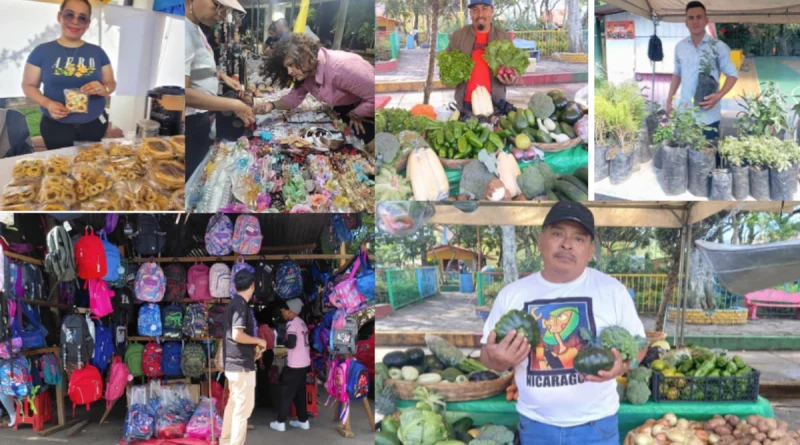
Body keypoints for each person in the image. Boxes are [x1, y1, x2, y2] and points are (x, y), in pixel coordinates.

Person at [480, 201, 647, 445]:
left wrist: (622, 367)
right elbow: (486, 353)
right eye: (558, 233)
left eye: (579, 239)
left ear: (590, 251)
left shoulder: (613, 291)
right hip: (536, 427)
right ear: (540, 242)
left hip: (596, 427)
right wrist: (497, 359)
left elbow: (640, 345)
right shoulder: (512, 294)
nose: (567, 244)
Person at [22, 0, 117, 150]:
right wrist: (48, 104)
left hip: (94, 125)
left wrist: (103, 89)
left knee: (90, 167)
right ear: (59, 16)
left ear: (88, 23)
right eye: (69, 15)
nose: (75, 21)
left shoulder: (97, 52)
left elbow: (111, 83)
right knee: (59, 166)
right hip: (55, 127)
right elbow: (28, 85)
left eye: (82, 17)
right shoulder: (41, 51)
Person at [256, 34, 375, 142]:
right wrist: (272, 105)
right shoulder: (307, 73)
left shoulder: (341, 67)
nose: (289, 71)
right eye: (287, 67)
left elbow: (376, 95)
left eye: (291, 64)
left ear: (306, 55)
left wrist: (357, 113)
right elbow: (294, 98)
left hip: (367, 112)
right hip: (344, 110)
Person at [185, 0, 256, 179]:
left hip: (199, 118)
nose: (221, 14)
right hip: (189, 122)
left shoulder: (196, 28)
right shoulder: (183, 32)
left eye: (225, 10)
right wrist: (234, 105)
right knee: (192, 176)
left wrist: (222, 77)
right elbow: (182, 92)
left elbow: (198, 67)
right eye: (218, 6)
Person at [666, 1, 737, 143]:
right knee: (683, 157)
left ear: (706, 20)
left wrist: (719, 95)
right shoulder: (679, 47)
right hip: (684, 115)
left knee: (706, 159)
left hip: (709, 117)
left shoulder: (718, 47)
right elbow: (677, 74)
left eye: (699, 17)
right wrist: (669, 100)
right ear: (686, 22)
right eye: (691, 18)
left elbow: (732, 75)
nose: (695, 21)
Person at [220, 270, 267, 445]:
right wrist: (258, 340)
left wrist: (252, 346)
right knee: (242, 410)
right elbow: (237, 335)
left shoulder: (232, 304)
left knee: (233, 405)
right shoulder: (240, 305)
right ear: (253, 285)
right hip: (240, 366)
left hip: (233, 364)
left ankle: (225, 441)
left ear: (234, 286)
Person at [446, 0, 517, 111]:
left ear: (492, 11)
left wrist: (511, 80)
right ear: (470, 13)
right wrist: (449, 78)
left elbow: (513, 69)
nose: (480, 15)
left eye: (485, 9)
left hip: (495, 104)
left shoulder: (503, 37)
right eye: (475, 10)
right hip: (465, 105)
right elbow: (447, 65)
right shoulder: (458, 36)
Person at [270, 298, 311, 432]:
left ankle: (280, 422)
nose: (283, 313)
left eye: (284, 310)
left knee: (286, 393)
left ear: (291, 311)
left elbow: (292, 343)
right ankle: (303, 420)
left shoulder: (292, 324)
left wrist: (285, 343)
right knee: (300, 393)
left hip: (295, 364)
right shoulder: (302, 322)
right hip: (304, 363)